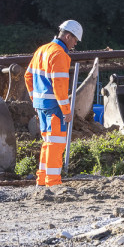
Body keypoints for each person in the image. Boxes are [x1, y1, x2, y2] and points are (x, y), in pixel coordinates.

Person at [24, 20, 82, 186]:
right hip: (55, 108)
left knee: (48, 143)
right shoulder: (59, 54)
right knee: (56, 145)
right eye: (75, 40)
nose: (75, 43)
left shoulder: (41, 50)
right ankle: (53, 182)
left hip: (41, 106)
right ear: (68, 35)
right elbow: (60, 86)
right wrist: (66, 110)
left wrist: (35, 99)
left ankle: (42, 180)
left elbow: (27, 76)